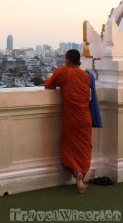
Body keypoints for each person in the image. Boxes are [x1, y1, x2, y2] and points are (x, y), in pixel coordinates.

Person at [44, 49, 92, 194]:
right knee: (85, 147)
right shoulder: (86, 76)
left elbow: (48, 85)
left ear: (67, 60)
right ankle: (81, 174)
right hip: (86, 118)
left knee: (69, 147)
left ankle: (76, 171)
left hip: (71, 118)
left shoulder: (63, 72)